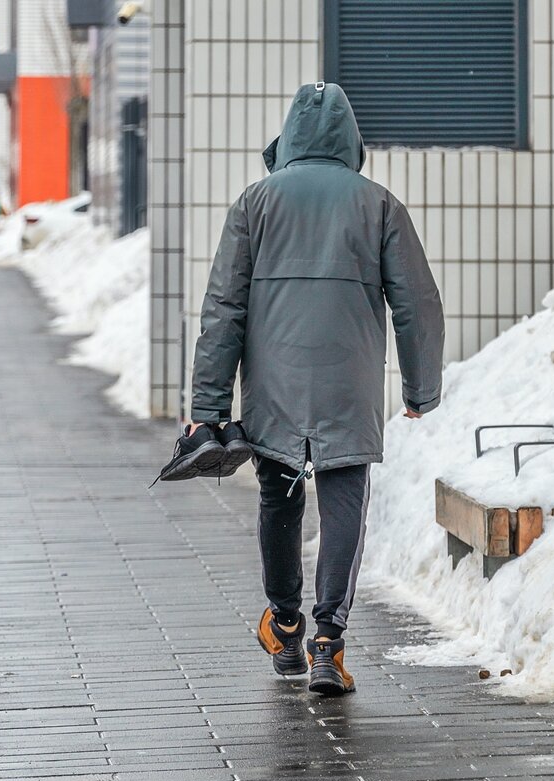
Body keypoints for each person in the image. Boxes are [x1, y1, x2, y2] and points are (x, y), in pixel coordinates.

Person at [167, 82, 445, 696]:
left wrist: (208, 410)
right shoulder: (379, 205)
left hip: (275, 386)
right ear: (350, 140)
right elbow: (417, 304)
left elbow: (224, 311)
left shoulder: (254, 203)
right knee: (344, 498)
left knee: (278, 496)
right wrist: (421, 388)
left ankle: (286, 624)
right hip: (349, 383)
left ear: (288, 135)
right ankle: (328, 644)